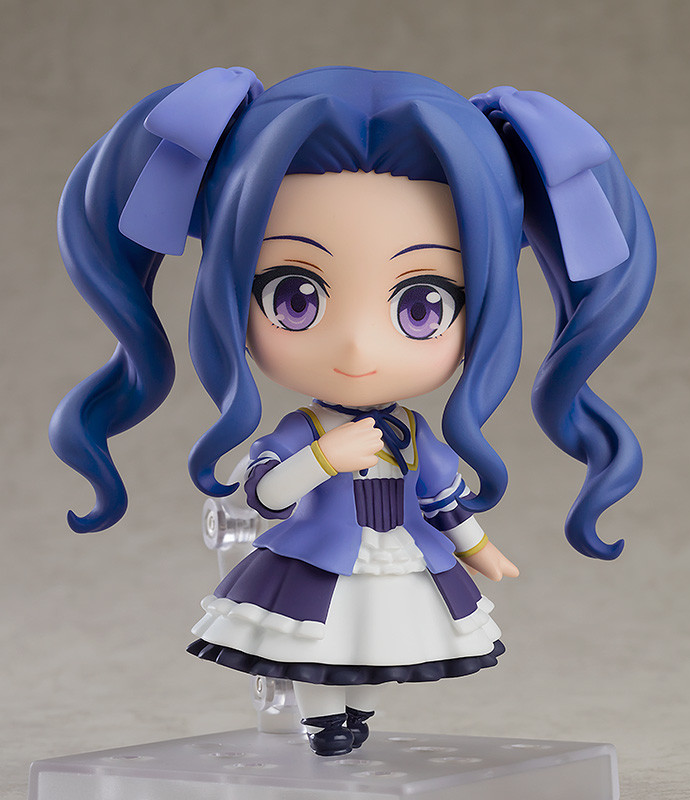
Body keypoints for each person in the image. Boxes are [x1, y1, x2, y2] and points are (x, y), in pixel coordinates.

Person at [50, 66, 655, 756]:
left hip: (398, 555)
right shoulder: (301, 431)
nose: (358, 346)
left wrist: (480, 550)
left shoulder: (416, 437)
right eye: (294, 298)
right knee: (314, 643)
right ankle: (323, 719)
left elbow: (443, 500)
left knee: (381, 646)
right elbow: (266, 494)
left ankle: (356, 714)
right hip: (315, 559)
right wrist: (321, 459)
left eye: (422, 305)